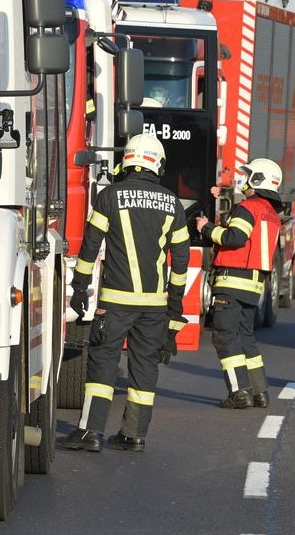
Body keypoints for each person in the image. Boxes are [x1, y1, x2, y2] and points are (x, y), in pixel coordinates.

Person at [58, 133, 190, 453]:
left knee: (102, 365)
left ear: (127, 160)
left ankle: (91, 432)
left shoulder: (109, 197)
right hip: (155, 306)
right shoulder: (173, 203)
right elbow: (181, 261)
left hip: (115, 302)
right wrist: (174, 307)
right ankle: (134, 435)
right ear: (157, 164)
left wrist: (79, 288)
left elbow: (90, 247)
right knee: (145, 367)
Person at [194, 158, 283, 409]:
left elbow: (235, 238)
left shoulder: (248, 207)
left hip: (232, 280)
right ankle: (260, 391)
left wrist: (207, 228)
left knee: (224, 336)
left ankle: (238, 392)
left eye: (248, 175)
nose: (243, 180)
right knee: (245, 337)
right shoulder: (271, 213)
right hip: (254, 285)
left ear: (257, 180)